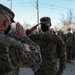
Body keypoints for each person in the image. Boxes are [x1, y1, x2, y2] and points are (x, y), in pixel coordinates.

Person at [0, 3, 42, 75]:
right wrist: (24, 38)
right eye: (10, 23)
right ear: (6, 23)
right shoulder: (8, 44)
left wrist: (29, 31)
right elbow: (36, 58)